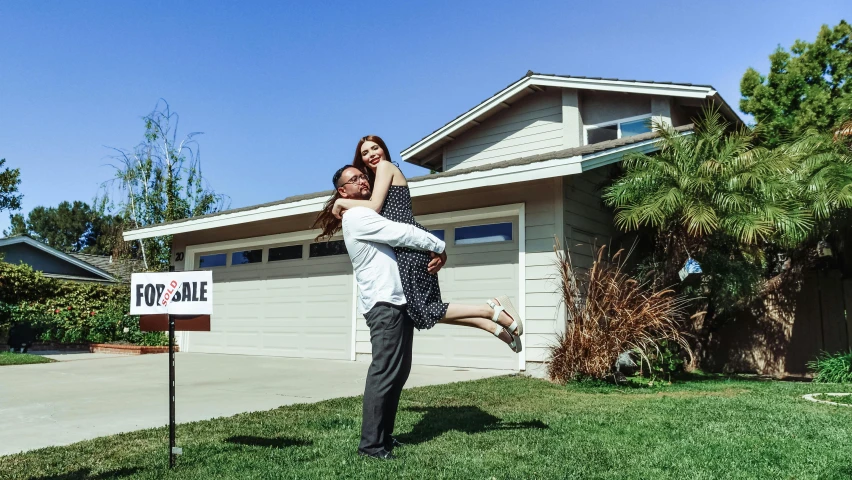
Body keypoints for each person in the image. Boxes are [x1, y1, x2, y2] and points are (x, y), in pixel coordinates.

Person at [318, 135, 523, 352]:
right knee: (421, 311)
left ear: (384, 150)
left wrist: (340, 201)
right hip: (406, 247)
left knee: (424, 310)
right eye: (365, 153)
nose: (371, 155)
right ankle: (488, 324)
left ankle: (490, 310)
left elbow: (375, 205)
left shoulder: (386, 167)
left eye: (375, 148)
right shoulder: (377, 180)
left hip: (410, 244)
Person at [323, 165, 447, 459]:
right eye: (354, 179)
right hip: (383, 304)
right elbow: (400, 233)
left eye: (363, 176)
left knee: (398, 372)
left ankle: (384, 437)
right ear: (343, 191)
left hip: (397, 301)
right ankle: (371, 446)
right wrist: (439, 246)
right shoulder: (357, 215)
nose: (362, 180)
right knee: (384, 372)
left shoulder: (366, 211)